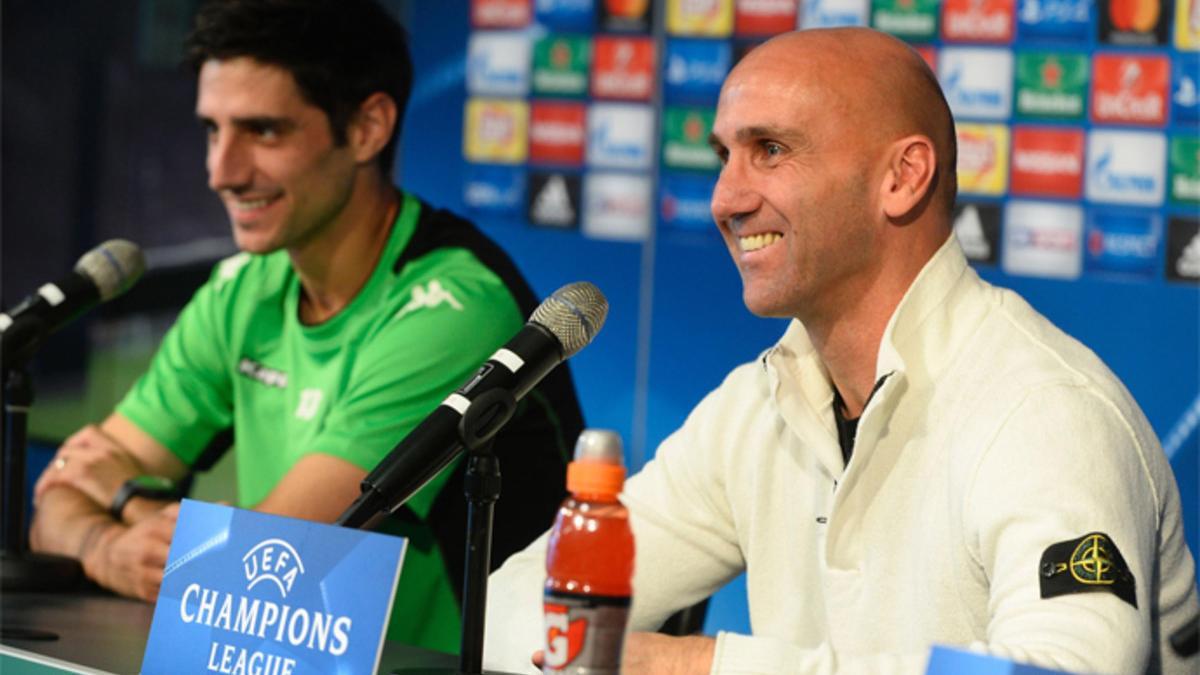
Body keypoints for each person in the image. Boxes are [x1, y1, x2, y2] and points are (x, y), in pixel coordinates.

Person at [483, 27, 1199, 674]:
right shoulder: (756, 406)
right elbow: (510, 614)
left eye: (770, 150)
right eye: (723, 156)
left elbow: (1065, 671)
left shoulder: (1046, 411)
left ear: (902, 177)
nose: (726, 198)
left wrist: (698, 667)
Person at [29, 0, 584, 655]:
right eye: (213, 130)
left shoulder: (455, 306)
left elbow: (261, 569)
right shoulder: (244, 288)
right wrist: (107, 546)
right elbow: (57, 499)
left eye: (263, 131)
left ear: (369, 127)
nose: (222, 172)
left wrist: (118, 496)